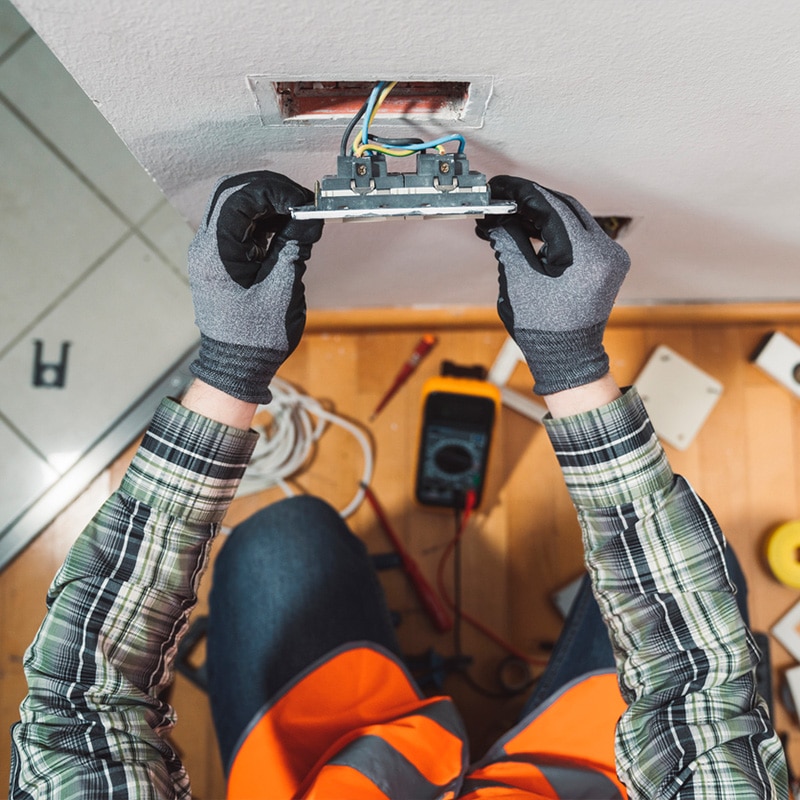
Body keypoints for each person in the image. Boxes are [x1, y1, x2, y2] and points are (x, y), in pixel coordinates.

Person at [9, 170, 788, 799]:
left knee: (281, 541)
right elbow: (697, 693)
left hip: (344, 773)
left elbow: (77, 708)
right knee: (699, 567)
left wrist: (231, 369)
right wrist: (572, 365)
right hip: (575, 781)